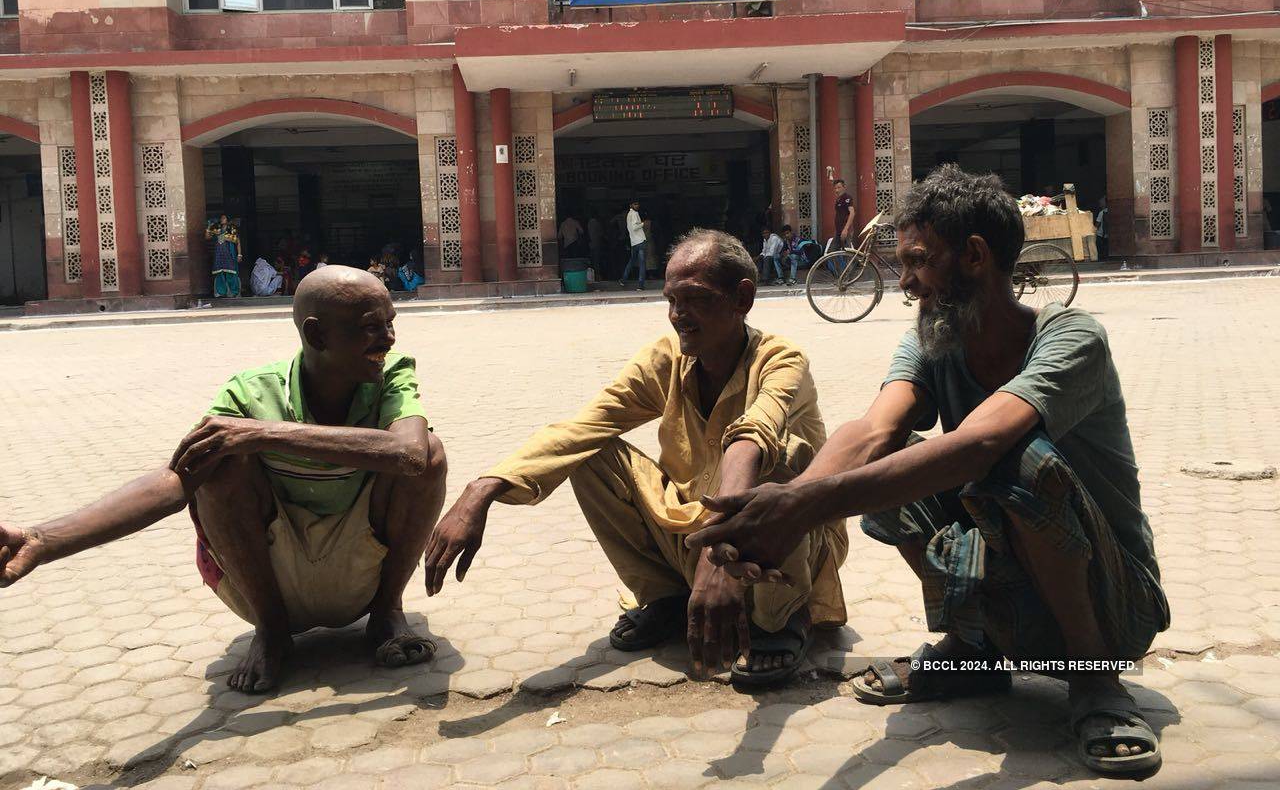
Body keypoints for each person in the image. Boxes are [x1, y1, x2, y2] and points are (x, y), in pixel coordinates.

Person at [688, 165, 1168, 777]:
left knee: (1019, 459)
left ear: (973, 256)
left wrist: (804, 509)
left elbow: (979, 444)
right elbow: (871, 432)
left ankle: (1096, 682)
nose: (906, 283)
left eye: (918, 261)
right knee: (886, 462)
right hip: (1012, 579)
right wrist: (778, 511)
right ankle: (974, 653)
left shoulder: (1071, 338)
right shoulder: (933, 338)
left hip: (1112, 601)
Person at [424, 230, 847, 688]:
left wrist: (719, 552)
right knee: (588, 453)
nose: (678, 316)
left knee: (782, 458)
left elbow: (751, 437)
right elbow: (589, 424)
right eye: (671, 300)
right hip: (696, 535)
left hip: (783, 548)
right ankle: (667, 598)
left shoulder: (782, 359)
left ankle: (781, 620)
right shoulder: (667, 359)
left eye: (694, 299)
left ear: (741, 298)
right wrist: (483, 488)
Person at [0, 266, 447, 693]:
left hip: (359, 570)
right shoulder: (248, 392)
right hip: (269, 582)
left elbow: (409, 456)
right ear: (315, 334)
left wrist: (263, 433)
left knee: (431, 452)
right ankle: (271, 633)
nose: (388, 337)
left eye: (391, 322)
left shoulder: (393, 373)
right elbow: (174, 482)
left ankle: (387, 612)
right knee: (221, 462)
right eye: (371, 327)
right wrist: (45, 540)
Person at [206, 214, 242, 297]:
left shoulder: (232, 229)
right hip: (219, 254)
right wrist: (208, 227)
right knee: (220, 273)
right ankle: (221, 292)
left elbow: (238, 242)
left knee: (231, 273)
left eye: (224, 218)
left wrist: (239, 254)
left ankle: (234, 292)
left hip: (229, 254)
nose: (222, 219)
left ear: (228, 219)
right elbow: (207, 237)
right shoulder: (217, 229)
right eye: (221, 218)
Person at [618, 200, 647, 290]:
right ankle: (640, 285)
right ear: (631, 205)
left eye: (638, 204)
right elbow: (635, 227)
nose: (637, 205)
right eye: (635, 204)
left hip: (633, 242)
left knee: (632, 261)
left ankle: (623, 280)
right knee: (642, 264)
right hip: (640, 241)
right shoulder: (635, 213)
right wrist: (643, 224)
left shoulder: (628, 215)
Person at [828, 176, 855, 252]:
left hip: (845, 229)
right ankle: (839, 264)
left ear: (844, 187)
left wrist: (846, 229)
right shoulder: (838, 199)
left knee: (847, 251)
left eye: (839, 188)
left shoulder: (847, 197)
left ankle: (850, 264)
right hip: (838, 230)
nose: (837, 190)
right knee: (831, 252)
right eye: (835, 188)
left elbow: (852, 213)